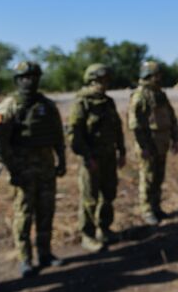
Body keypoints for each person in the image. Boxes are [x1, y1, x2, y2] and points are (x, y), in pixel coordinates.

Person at [0, 61, 66, 278]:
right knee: (23, 216)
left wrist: (61, 161)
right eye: (25, 77)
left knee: (46, 212)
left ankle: (45, 253)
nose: (29, 81)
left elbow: (57, 136)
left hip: (46, 169)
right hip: (22, 170)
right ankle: (25, 259)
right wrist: (13, 170)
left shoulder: (48, 105)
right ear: (17, 80)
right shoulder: (9, 106)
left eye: (33, 76)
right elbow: (1, 144)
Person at [67, 63, 126, 252]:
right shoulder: (81, 102)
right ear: (91, 80)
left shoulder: (108, 102)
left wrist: (121, 151)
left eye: (106, 81)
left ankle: (104, 228)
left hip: (109, 156)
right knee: (89, 198)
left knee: (108, 194)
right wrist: (87, 157)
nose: (104, 84)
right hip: (91, 159)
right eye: (101, 81)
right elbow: (74, 135)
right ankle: (88, 235)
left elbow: (117, 128)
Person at [128, 61, 178, 226]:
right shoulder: (140, 95)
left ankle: (156, 206)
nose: (160, 78)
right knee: (148, 178)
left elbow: (171, 117)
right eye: (157, 75)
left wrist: (175, 139)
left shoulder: (160, 94)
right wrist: (144, 147)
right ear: (148, 76)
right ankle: (147, 210)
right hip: (148, 145)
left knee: (158, 177)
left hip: (162, 144)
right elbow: (135, 125)